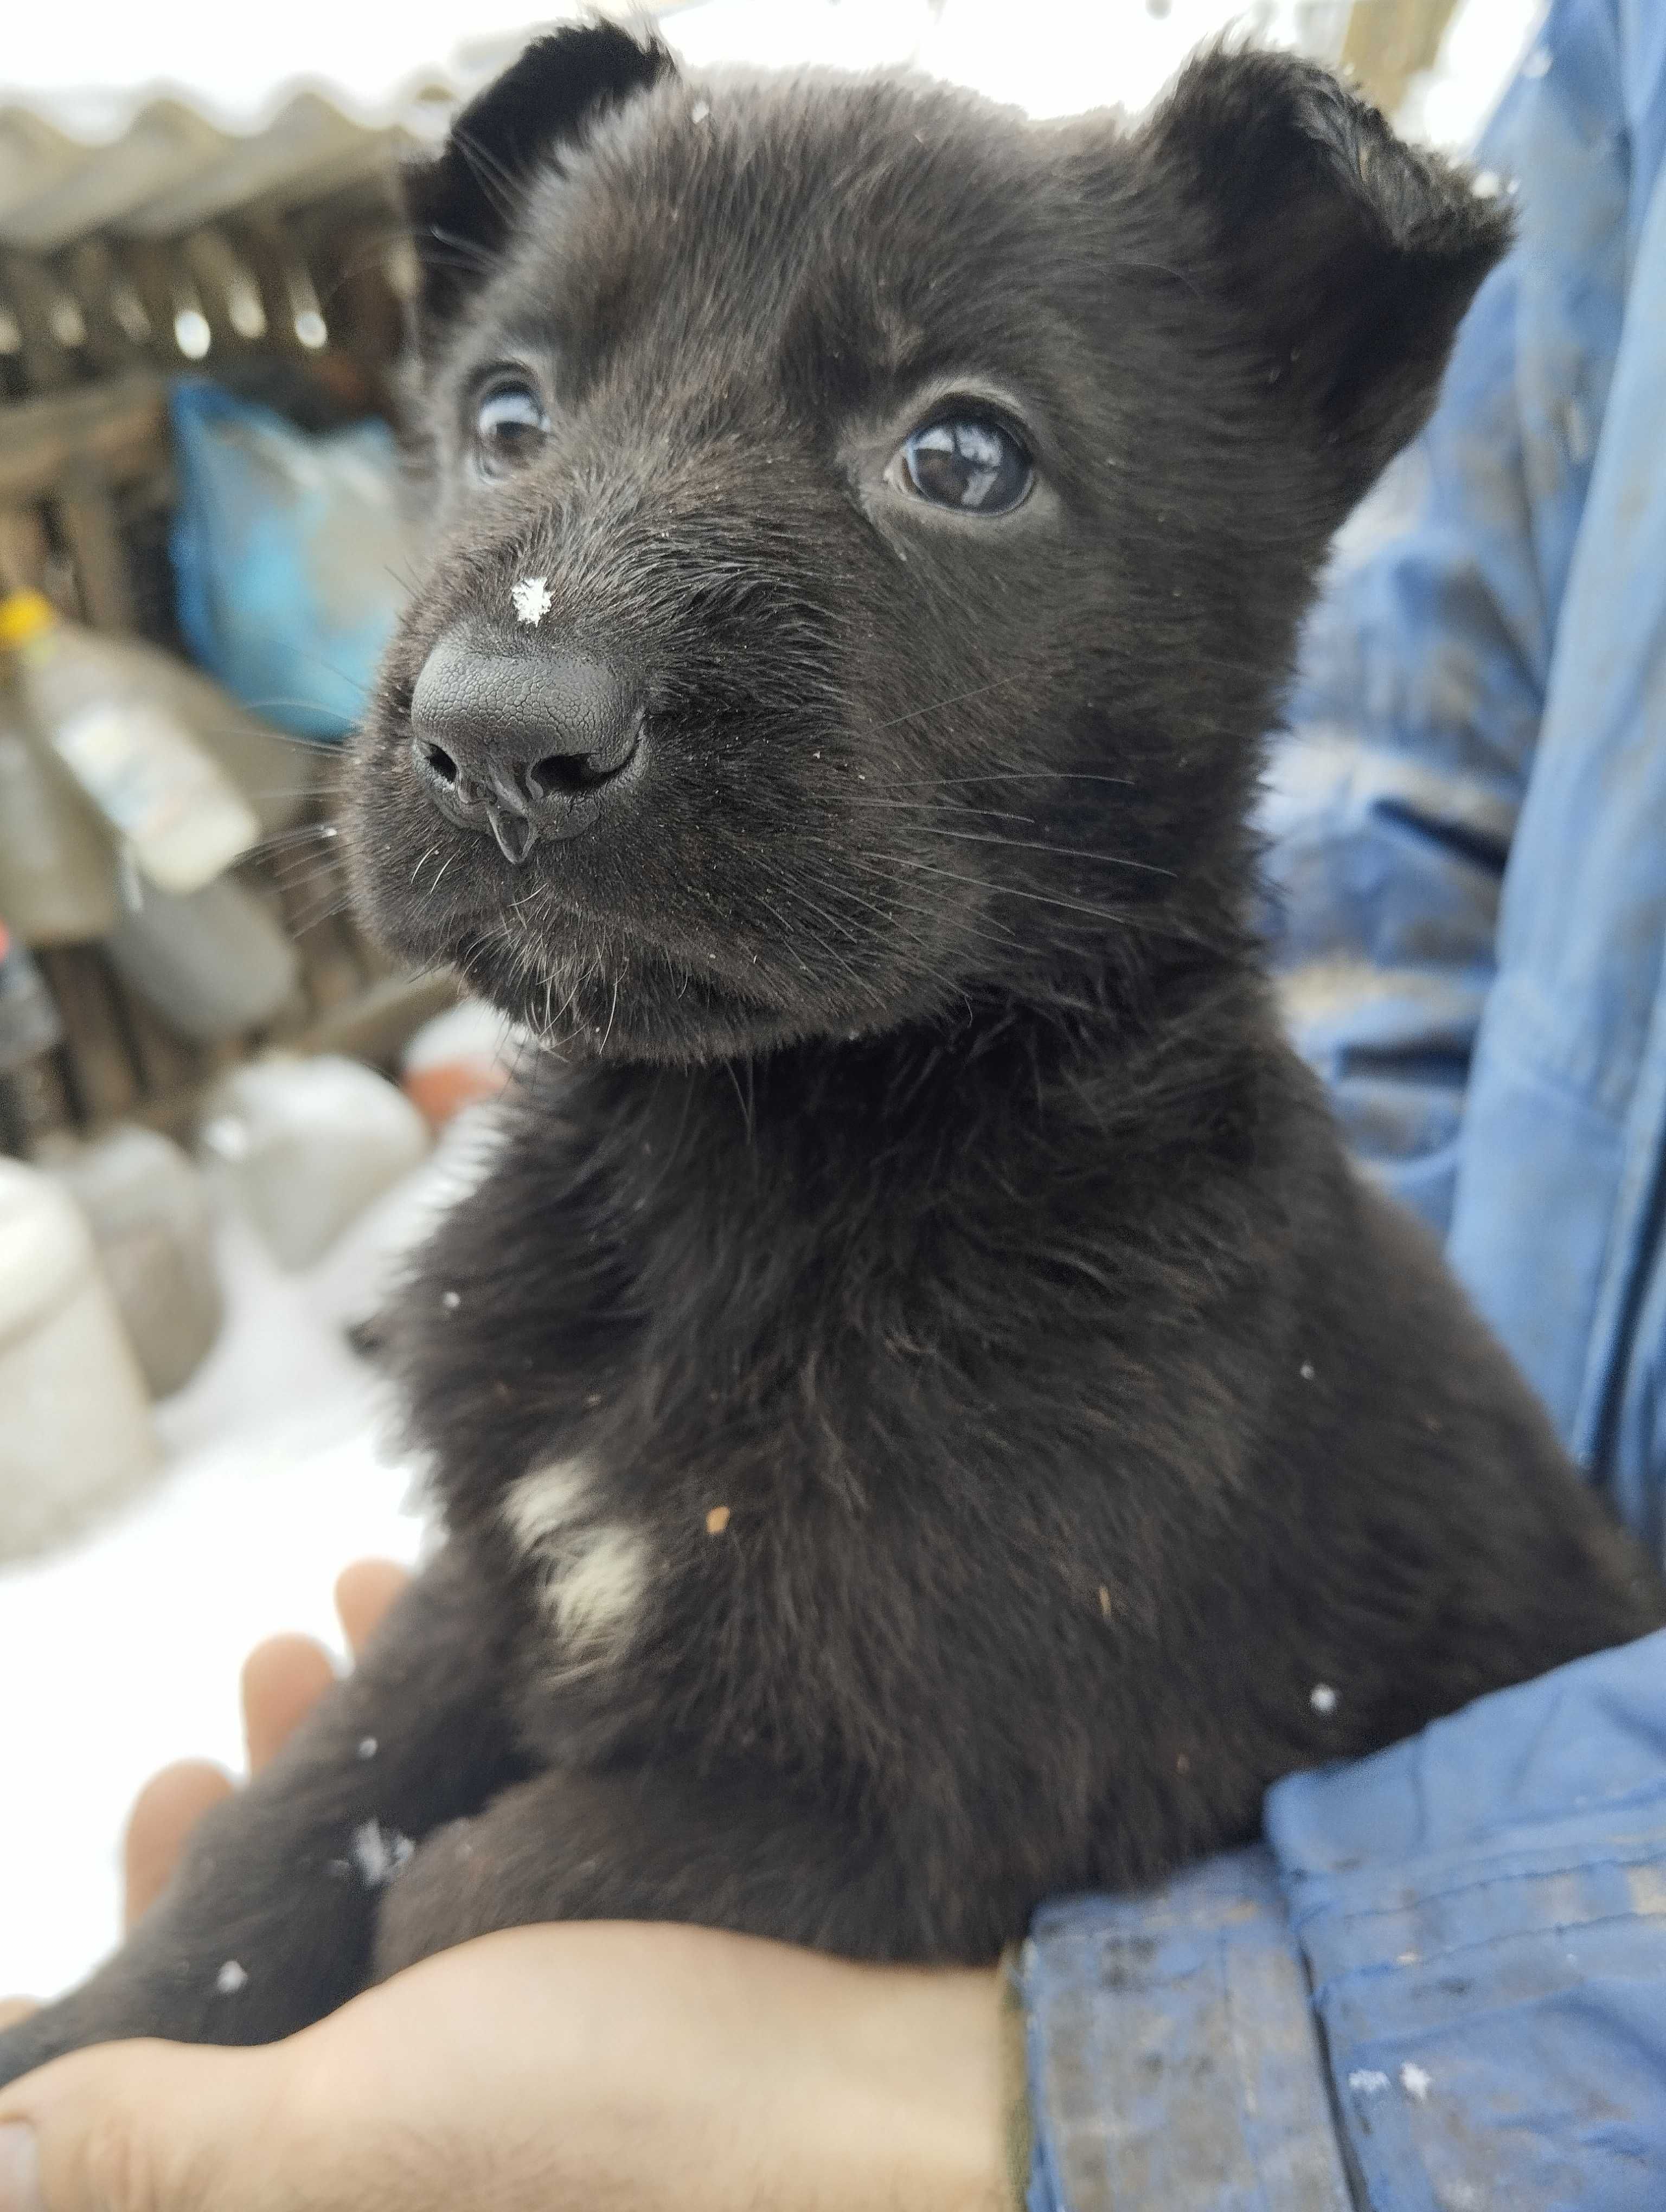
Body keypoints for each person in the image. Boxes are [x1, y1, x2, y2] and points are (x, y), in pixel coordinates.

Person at [4, 0, 1666, 2201]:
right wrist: (187, 2001)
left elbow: (878, 1825)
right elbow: (500, 1627)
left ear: (1303, 389)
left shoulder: (1098, 1358)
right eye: (520, 405)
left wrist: (445, 1953)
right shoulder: (554, 1267)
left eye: (959, 458)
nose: (522, 661)